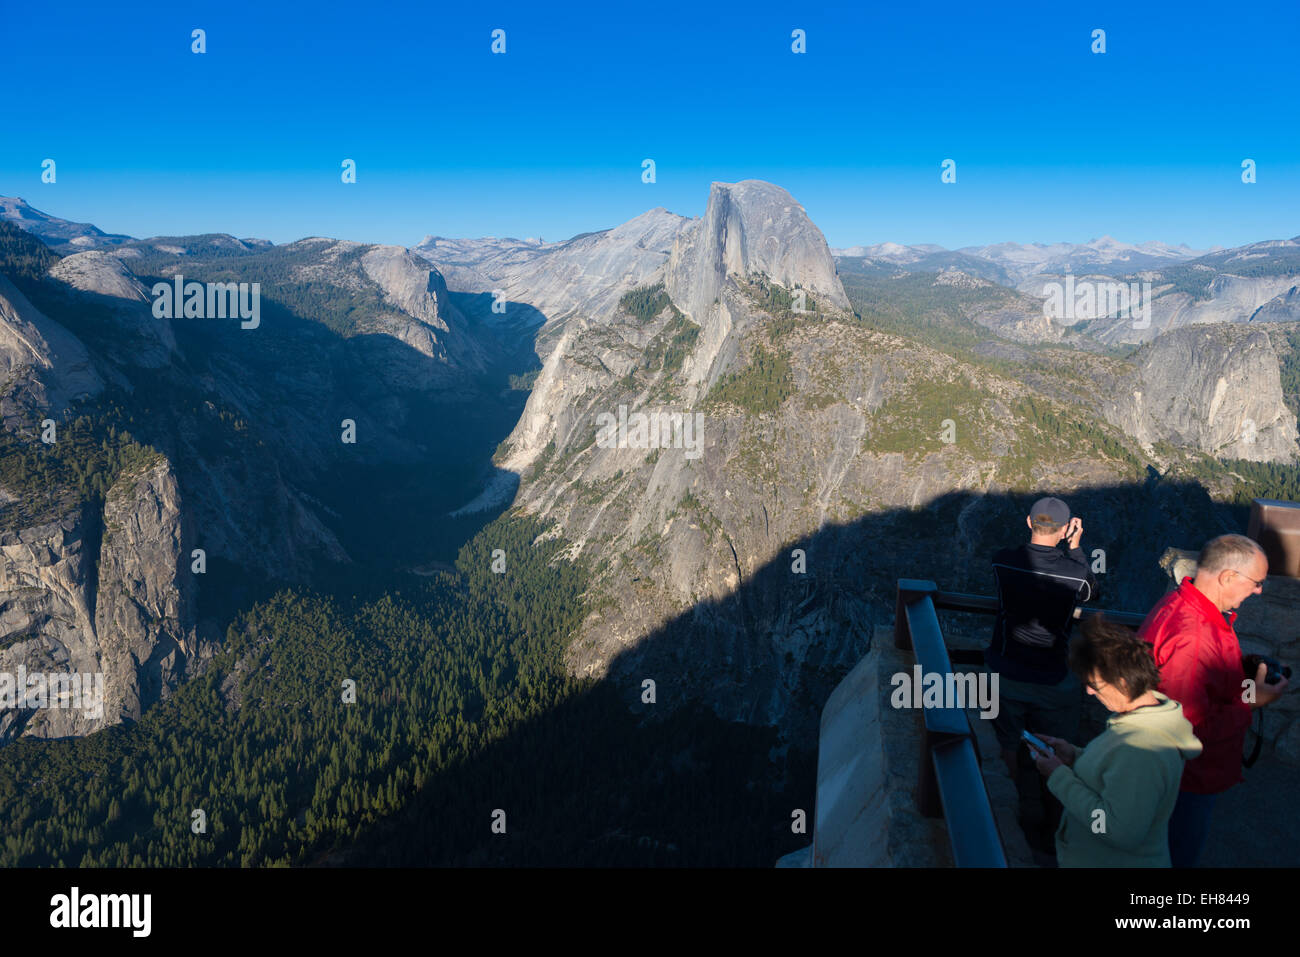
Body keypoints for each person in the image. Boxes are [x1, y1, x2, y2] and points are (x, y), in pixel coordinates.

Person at [1137, 533, 1289, 867]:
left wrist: (1243, 670)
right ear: (1228, 577)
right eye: (1257, 582)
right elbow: (1186, 728)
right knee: (1174, 857)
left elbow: (1206, 684)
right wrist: (1252, 703)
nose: (1259, 590)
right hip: (1186, 781)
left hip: (1181, 776)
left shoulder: (1189, 607)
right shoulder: (1194, 634)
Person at [1031, 614, 1202, 867]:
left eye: (1094, 684)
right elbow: (1115, 777)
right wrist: (1074, 757)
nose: (1089, 690)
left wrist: (1059, 777)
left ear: (1122, 682)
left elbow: (1116, 830)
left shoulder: (1143, 749)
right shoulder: (1143, 720)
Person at [986, 496, 1098, 857]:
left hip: (1004, 672)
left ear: (1028, 522)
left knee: (1005, 746)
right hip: (1052, 679)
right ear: (1066, 529)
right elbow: (1092, 590)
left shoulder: (1003, 561)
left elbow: (1012, 560)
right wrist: (1076, 548)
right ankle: (1054, 832)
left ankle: (1010, 822)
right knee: (1055, 750)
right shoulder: (1075, 572)